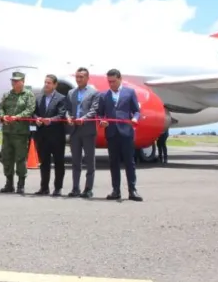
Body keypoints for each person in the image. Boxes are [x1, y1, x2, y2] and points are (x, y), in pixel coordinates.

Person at [96, 68, 143, 201]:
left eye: (114, 81)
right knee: (113, 163)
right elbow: (99, 114)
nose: (111, 84)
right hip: (111, 133)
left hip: (126, 132)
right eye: (109, 82)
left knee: (129, 162)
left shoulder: (130, 92)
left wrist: (135, 119)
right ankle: (116, 190)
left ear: (120, 79)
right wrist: (102, 121)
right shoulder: (103, 95)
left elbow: (137, 111)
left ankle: (132, 190)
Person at [0, 72, 36, 194]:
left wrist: (17, 117)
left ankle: (21, 184)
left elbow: (30, 109)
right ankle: (9, 183)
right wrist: (3, 117)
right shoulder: (7, 95)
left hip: (20, 133)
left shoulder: (28, 95)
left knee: (20, 159)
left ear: (23, 81)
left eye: (16, 81)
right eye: (12, 81)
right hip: (8, 132)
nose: (14, 83)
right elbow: (0, 108)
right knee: (6, 158)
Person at [67, 67, 101, 198]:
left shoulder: (94, 93)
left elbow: (94, 110)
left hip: (87, 130)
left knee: (89, 161)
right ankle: (75, 188)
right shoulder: (71, 93)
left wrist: (84, 119)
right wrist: (69, 117)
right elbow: (68, 109)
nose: (78, 79)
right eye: (77, 77)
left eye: (81, 77)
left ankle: (88, 189)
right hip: (74, 131)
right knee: (75, 161)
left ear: (87, 78)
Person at [33, 74, 69, 196]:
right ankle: (44, 187)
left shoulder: (61, 98)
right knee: (44, 163)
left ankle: (58, 188)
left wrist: (51, 120)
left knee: (59, 162)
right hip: (42, 136)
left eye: (49, 83)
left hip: (56, 136)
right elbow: (34, 113)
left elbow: (61, 115)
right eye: (45, 82)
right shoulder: (39, 98)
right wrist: (37, 119)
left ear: (55, 85)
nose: (46, 85)